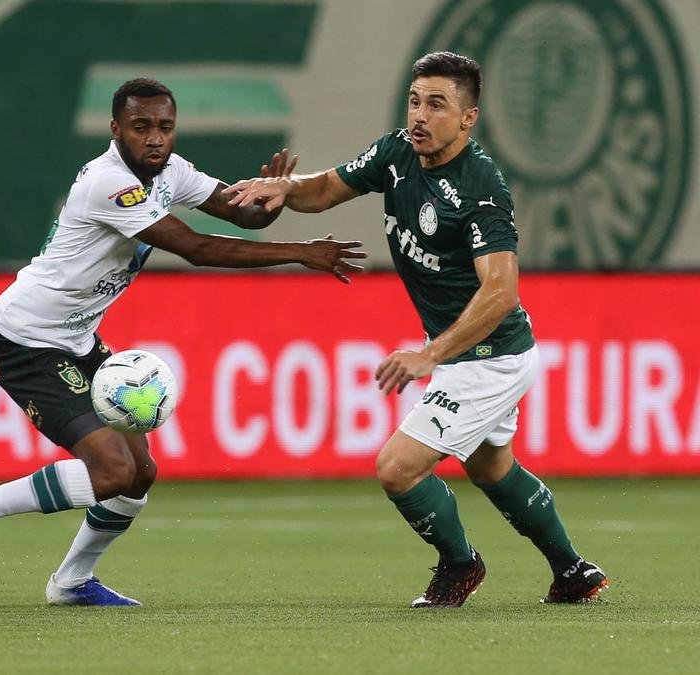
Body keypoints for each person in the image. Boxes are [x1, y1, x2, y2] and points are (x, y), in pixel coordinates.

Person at [0, 78, 366, 606]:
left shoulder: (171, 172)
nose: (155, 138)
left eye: (165, 127)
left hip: (77, 338)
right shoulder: (108, 183)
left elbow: (238, 211)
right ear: (116, 130)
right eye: (141, 127)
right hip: (27, 340)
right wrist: (300, 252)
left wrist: (274, 198)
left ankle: (71, 583)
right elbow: (196, 248)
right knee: (112, 470)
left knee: (140, 474)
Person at [223, 52, 607, 607]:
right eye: (414, 101)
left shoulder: (480, 187)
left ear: (468, 117)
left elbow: (501, 293)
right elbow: (327, 187)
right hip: (475, 354)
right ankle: (572, 572)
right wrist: (287, 190)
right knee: (492, 467)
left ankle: (460, 566)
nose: (419, 116)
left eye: (436, 104)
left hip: (489, 355)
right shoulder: (397, 153)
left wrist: (432, 355)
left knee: (397, 468)